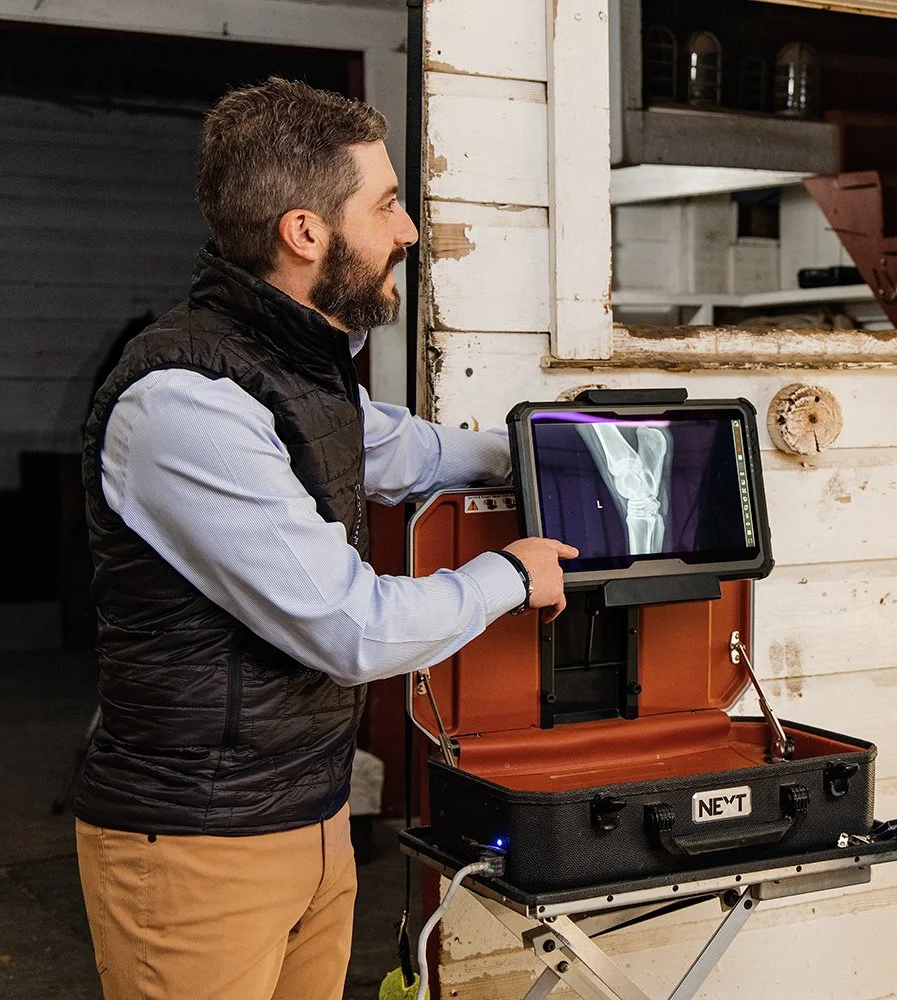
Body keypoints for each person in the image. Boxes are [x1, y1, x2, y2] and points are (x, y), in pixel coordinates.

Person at [74, 78, 575, 1000]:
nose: (410, 230)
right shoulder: (187, 403)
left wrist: (555, 451)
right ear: (305, 233)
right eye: (386, 204)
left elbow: (412, 450)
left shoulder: (298, 375)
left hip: (309, 815)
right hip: (197, 846)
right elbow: (349, 629)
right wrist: (509, 573)